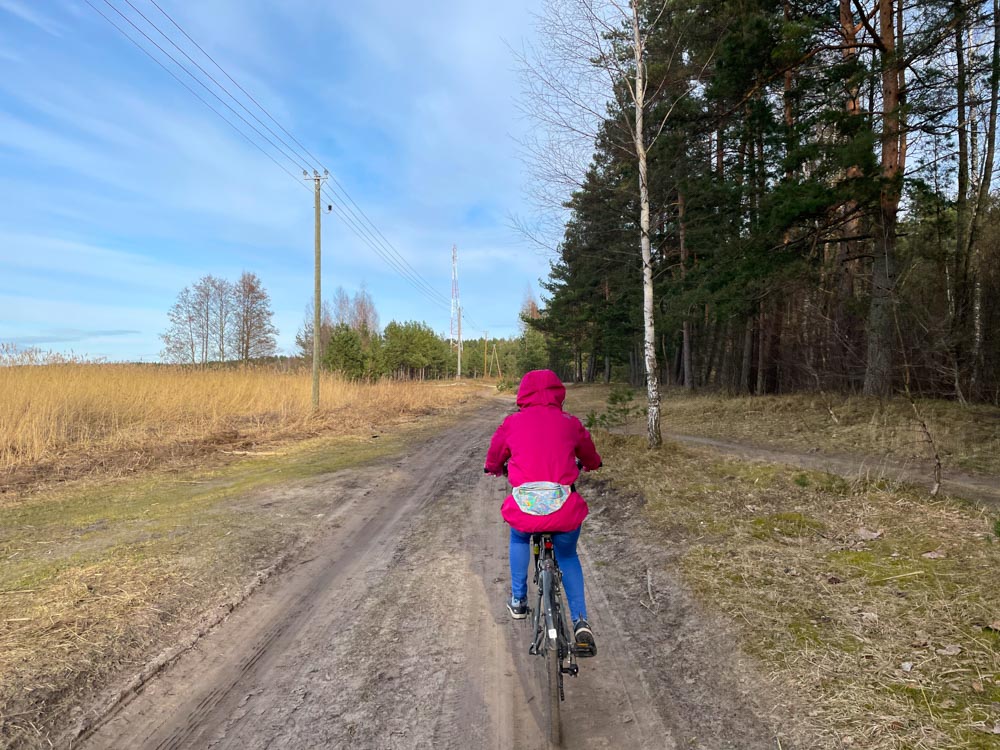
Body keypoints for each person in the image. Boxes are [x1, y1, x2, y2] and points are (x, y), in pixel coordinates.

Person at [483, 369, 602, 656]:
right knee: (569, 555)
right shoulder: (569, 423)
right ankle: (581, 622)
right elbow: (589, 454)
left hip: (526, 510)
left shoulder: (512, 422)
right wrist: (592, 463)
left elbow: (495, 455)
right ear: (558, 392)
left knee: (520, 539)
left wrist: (495, 468)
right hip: (563, 510)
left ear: (523, 394)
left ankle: (519, 601)